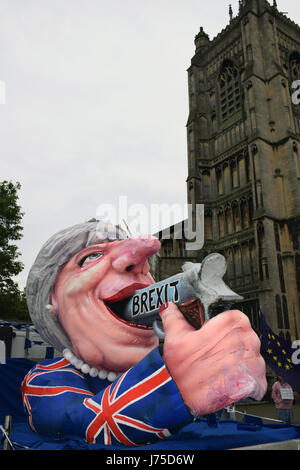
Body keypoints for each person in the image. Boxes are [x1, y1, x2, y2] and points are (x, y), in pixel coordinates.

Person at [21, 218, 267, 446]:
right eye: (92, 257)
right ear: (52, 301)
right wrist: (176, 382)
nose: (141, 260)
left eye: (147, 269)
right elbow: (78, 421)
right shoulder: (45, 378)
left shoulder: (155, 357)